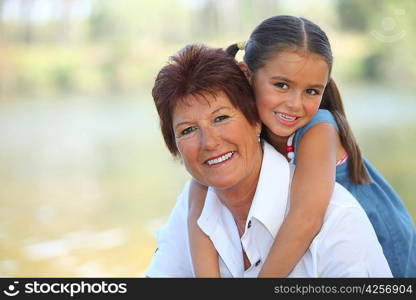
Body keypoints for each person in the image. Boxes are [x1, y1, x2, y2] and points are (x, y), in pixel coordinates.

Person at [187, 15, 416, 278]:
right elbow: (199, 200)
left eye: (312, 91)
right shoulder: (245, 125)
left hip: (382, 247)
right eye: (281, 85)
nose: (295, 104)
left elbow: (305, 219)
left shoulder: (318, 128)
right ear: (246, 74)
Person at [145, 43, 392, 277]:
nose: (208, 142)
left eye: (221, 118)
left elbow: (308, 219)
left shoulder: (337, 219)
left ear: (255, 120)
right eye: (188, 130)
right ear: (174, 146)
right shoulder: (193, 205)